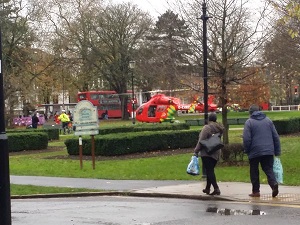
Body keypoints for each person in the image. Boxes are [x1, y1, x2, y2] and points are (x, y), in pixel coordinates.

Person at [243, 104, 281, 198]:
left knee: (254, 171)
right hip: (268, 150)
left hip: (254, 151)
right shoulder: (268, 121)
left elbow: (246, 138)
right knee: (268, 168)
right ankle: (273, 184)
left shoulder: (249, 122)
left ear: (250, 113)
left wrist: (246, 150)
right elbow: (275, 136)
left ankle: (256, 191)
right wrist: (277, 151)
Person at [194, 112, 224, 195]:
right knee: (210, 170)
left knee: (209, 171)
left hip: (207, 152)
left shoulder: (206, 128)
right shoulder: (219, 128)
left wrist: (196, 151)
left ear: (208, 119)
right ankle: (207, 188)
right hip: (216, 151)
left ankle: (216, 188)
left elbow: (201, 140)